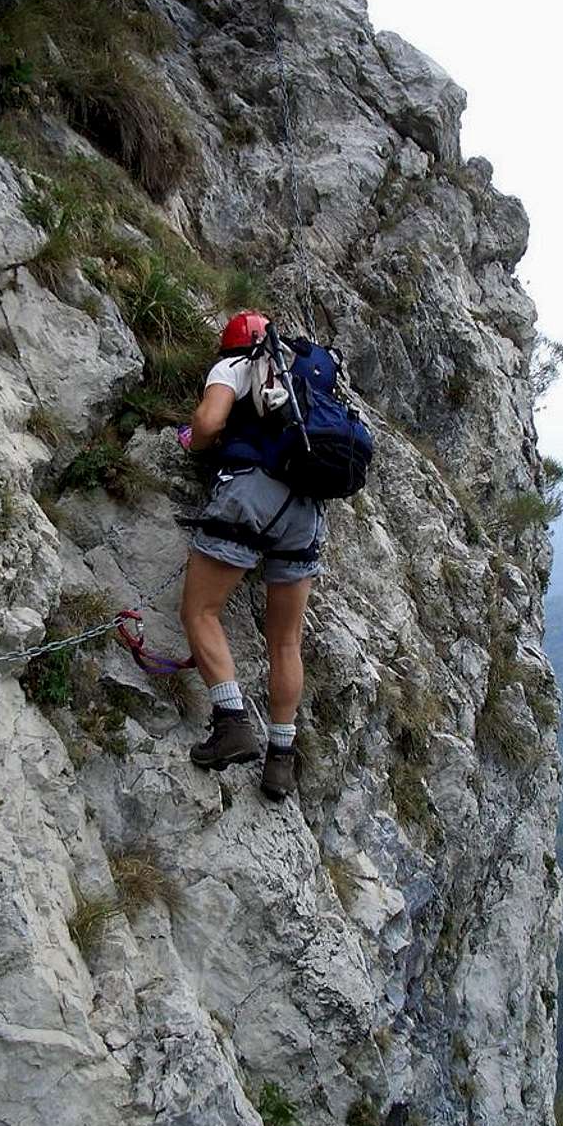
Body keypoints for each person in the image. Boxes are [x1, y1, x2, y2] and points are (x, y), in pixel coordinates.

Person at [178, 310, 324, 802]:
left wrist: (195, 442)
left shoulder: (236, 367)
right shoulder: (302, 374)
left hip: (250, 497)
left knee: (200, 610)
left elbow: (207, 422)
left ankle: (231, 721)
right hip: (305, 508)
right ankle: (281, 759)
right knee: (286, 641)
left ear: (230, 346)